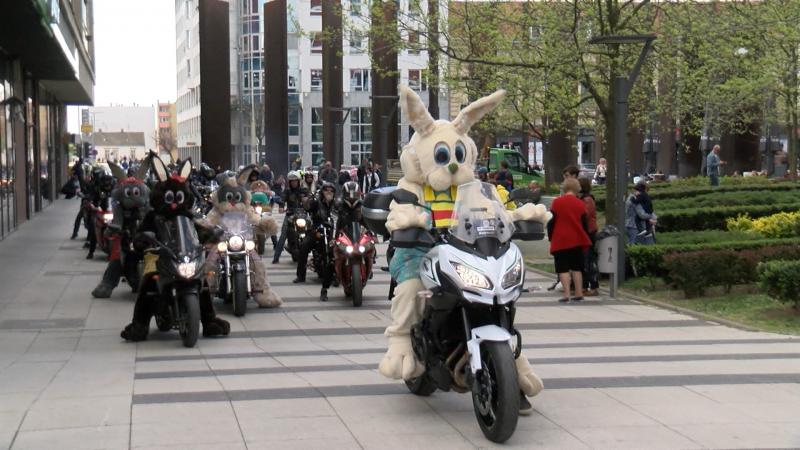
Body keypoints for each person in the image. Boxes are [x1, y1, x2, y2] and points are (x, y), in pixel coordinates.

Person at [547, 178, 591, 303]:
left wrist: (551, 237)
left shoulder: (556, 203)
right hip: (577, 239)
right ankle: (578, 293)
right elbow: (584, 223)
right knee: (577, 267)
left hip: (560, 239)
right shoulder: (580, 204)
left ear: (565, 188)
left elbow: (552, 222)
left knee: (563, 268)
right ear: (577, 189)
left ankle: (566, 294)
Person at [293, 181, 337, 301]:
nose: (328, 192)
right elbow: (307, 207)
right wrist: (308, 200)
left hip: (330, 232)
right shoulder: (317, 202)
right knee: (304, 247)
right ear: (322, 192)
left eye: (331, 190)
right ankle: (301, 276)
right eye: (326, 190)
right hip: (316, 230)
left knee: (335, 252)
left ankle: (336, 276)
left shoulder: (336, 204)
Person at [272, 171, 309, 263]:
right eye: (292, 181)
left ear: (299, 181)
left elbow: (310, 199)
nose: (294, 183)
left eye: (295, 181)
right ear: (289, 182)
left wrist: (308, 202)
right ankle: (276, 257)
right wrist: (281, 207)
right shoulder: (287, 191)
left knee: (312, 232)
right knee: (283, 235)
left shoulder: (304, 190)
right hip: (290, 215)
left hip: (303, 215)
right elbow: (282, 199)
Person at [578, 177, 599, 296]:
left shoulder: (587, 199)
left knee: (589, 260)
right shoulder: (584, 198)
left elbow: (585, 215)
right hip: (585, 232)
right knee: (584, 260)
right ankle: (585, 286)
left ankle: (593, 286)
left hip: (588, 233)